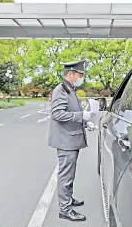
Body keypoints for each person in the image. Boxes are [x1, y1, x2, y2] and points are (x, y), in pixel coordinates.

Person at [48, 60, 93, 222]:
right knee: (66, 175)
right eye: (80, 75)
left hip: (71, 138)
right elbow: (57, 114)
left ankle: (68, 198)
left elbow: (73, 111)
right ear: (71, 74)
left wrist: (86, 122)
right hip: (65, 140)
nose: (81, 77)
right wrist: (81, 116)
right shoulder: (61, 90)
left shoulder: (70, 90)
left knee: (70, 173)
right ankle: (65, 209)